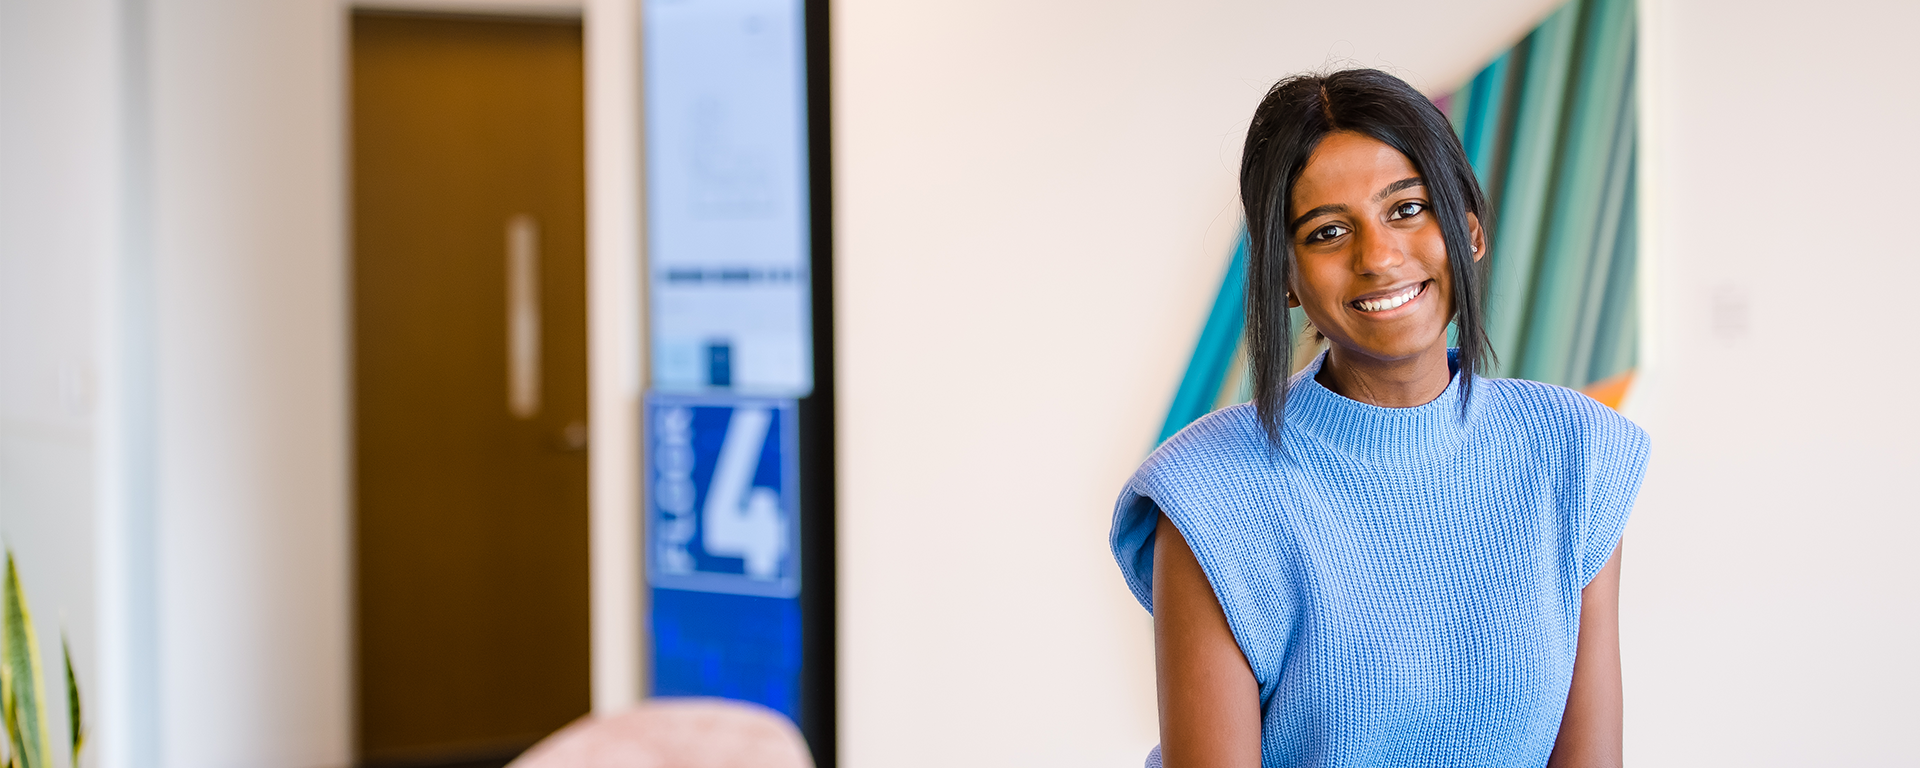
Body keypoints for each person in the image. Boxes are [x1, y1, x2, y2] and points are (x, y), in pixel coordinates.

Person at [1109, 69, 1649, 768]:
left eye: (1408, 209)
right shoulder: (1208, 492)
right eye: (1328, 231)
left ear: (1471, 230)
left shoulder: (1575, 450)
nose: (1379, 257)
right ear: (1284, 277)